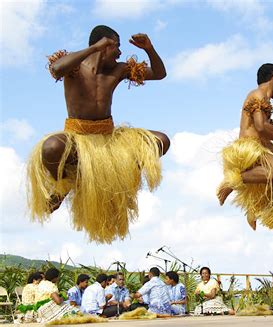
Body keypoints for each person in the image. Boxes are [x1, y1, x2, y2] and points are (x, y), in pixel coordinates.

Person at [27, 25, 170, 243]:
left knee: (161, 141)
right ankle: (63, 185)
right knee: (52, 147)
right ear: (106, 45)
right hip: (77, 138)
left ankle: (124, 179)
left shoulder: (119, 69)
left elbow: (160, 74)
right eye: (117, 47)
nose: (120, 53)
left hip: (108, 138)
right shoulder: (74, 66)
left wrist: (149, 49)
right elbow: (56, 70)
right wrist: (93, 48)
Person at [216, 63, 273, 231]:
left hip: (260, 151)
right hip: (247, 149)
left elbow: (265, 143)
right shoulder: (257, 95)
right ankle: (233, 181)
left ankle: (255, 207)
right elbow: (260, 126)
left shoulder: (263, 101)